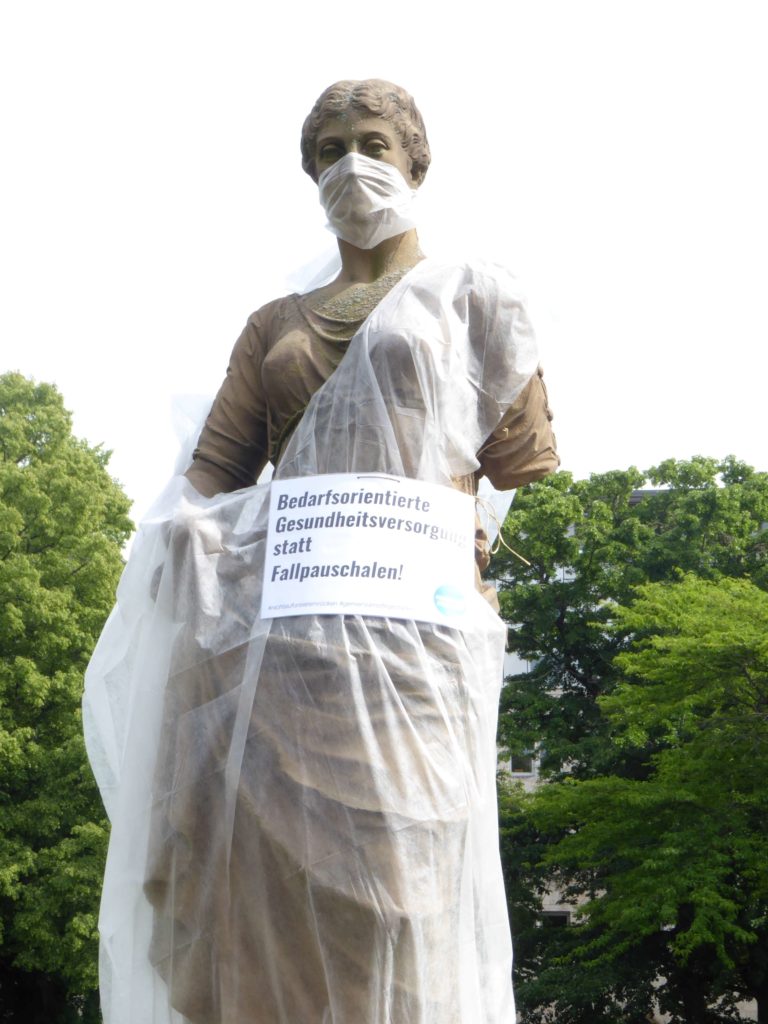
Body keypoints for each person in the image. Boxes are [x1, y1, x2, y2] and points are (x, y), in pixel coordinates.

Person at [84, 79, 558, 1024]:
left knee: (400, 886)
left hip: (412, 645)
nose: (354, 162)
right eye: (333, 146)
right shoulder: (274, 323)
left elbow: (519, 460)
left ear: (416, 161)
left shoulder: (477, 298)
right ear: (310, 171)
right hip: (271, 658)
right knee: (250, 902)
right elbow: (214, 471)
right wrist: (184, 530)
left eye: (376, 142)